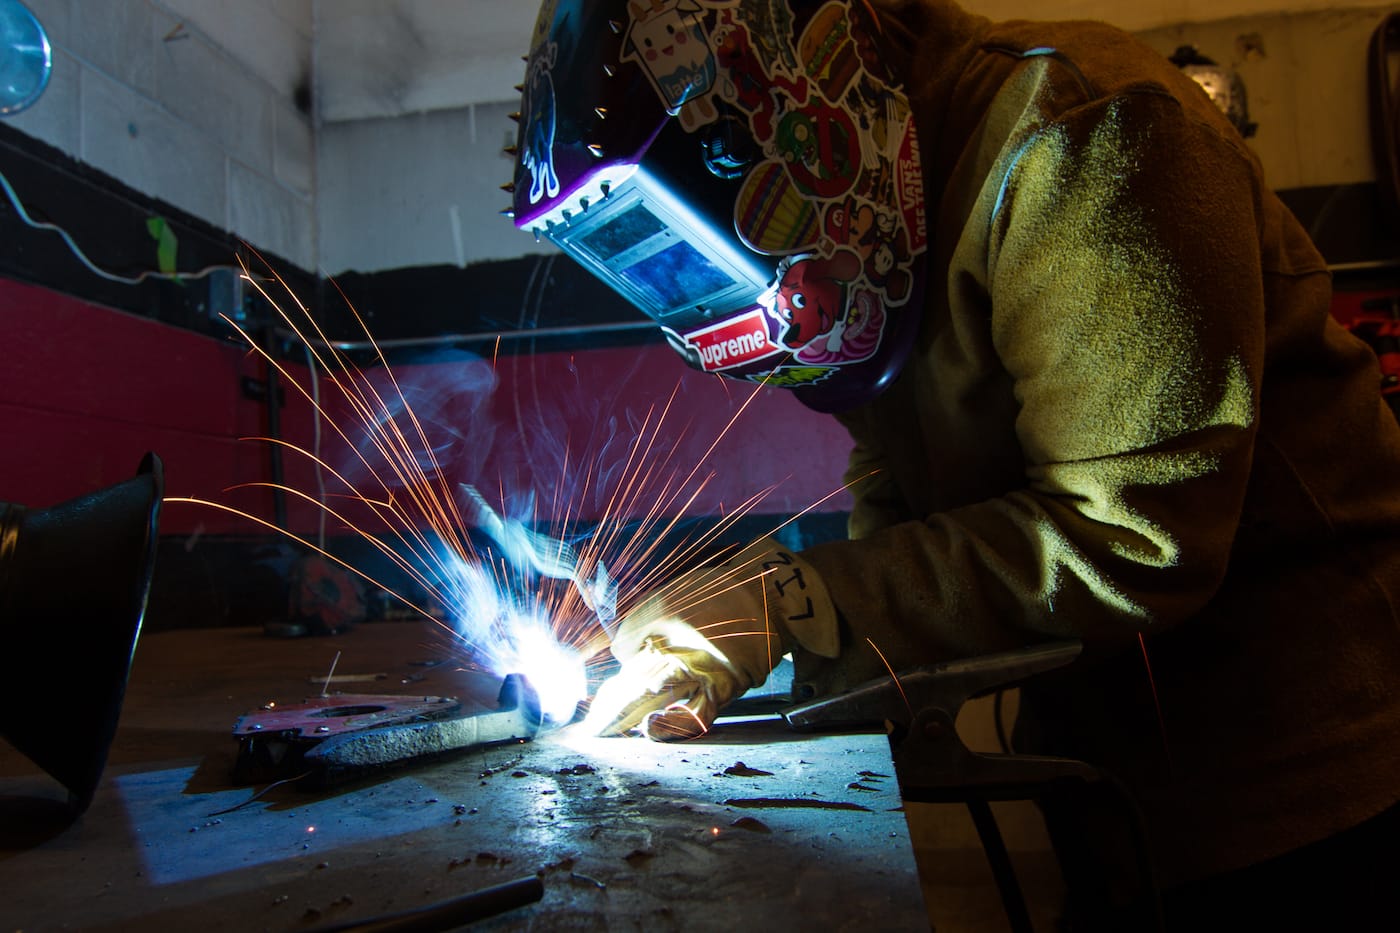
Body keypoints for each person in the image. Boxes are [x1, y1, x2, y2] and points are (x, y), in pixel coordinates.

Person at [509, 0, 1400, 927]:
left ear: (775, 95)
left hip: (1312, 778)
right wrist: (756, 635)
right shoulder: (893, 216)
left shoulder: (1083, 135)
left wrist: (795, 603)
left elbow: (1137, 534)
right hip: (1117, 773)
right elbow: (899, 489)